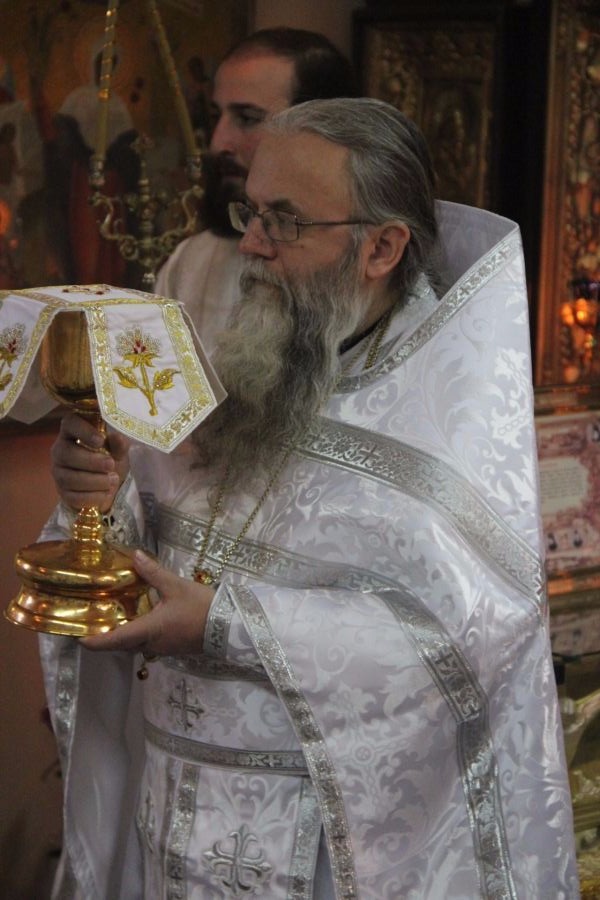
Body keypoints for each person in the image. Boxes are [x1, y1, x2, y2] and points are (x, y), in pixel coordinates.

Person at [42, 98, 578, 898]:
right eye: (251, 212)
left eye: (284, 222)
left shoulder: (442, 427)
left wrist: (226, 625)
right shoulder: (254, 366)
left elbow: (467, 648)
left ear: (382, 247)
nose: (252, 245)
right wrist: (99, 499)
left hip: (327, 856)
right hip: (170, 827)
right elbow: (158, 535)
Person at [154, 27, 357, 354]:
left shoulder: (362, 264)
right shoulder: (192, 263)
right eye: (216, 115)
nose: (218, 143)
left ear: (320, 131)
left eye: (247, 118)